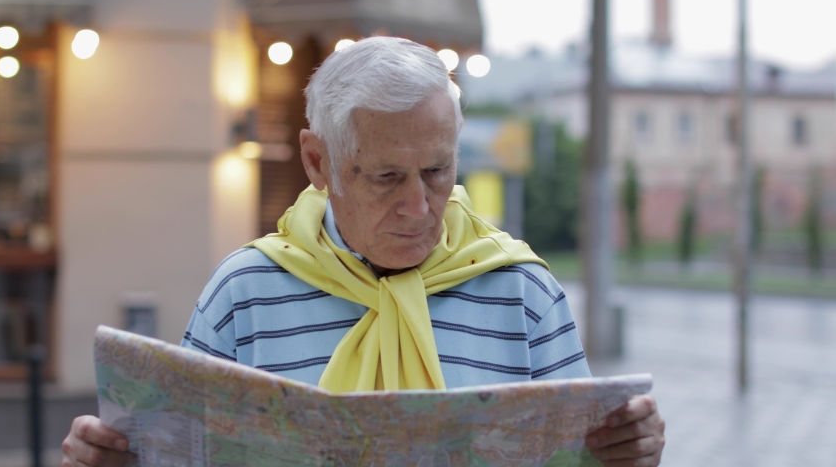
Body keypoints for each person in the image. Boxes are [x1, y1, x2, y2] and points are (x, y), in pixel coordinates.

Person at [62, 36, 665, 467]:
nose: (418, 206)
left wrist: (628, 455)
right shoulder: (243, 292)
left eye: (436, 171)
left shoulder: (524, 294)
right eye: (384, 178)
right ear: (317, 162)